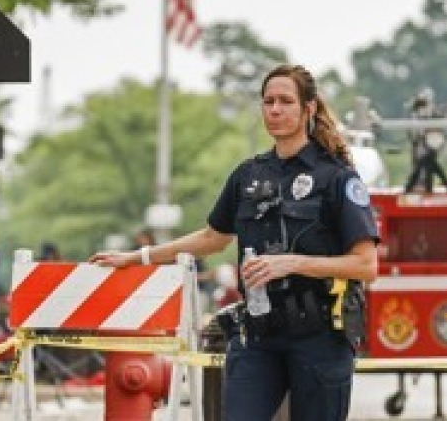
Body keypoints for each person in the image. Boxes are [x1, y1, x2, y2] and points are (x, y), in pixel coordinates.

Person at [90, 63, 378, 421]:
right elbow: (212, 237)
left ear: (309, 108)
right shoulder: (249, 175)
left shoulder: (336, 178)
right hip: (259, 335)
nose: (274, 109)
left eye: (285, 101)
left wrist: (292, 262)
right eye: (268, 101)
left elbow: (366, 265)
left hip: (319, 338)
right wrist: (138, 257)